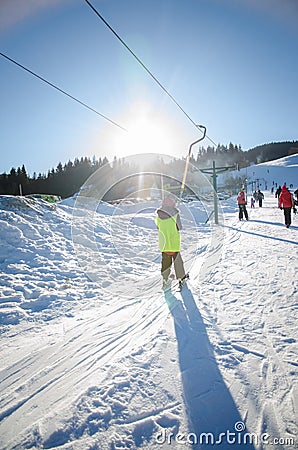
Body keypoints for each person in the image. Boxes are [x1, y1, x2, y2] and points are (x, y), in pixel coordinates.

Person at [155, 194, 187, 289]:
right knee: (178, 262)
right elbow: (179, 227)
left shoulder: (158, 216)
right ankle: (181, 278)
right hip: (174, 244)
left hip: (164, 244)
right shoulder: (175, 215)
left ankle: (165, 279)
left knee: (165, 263)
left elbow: (158, 227)